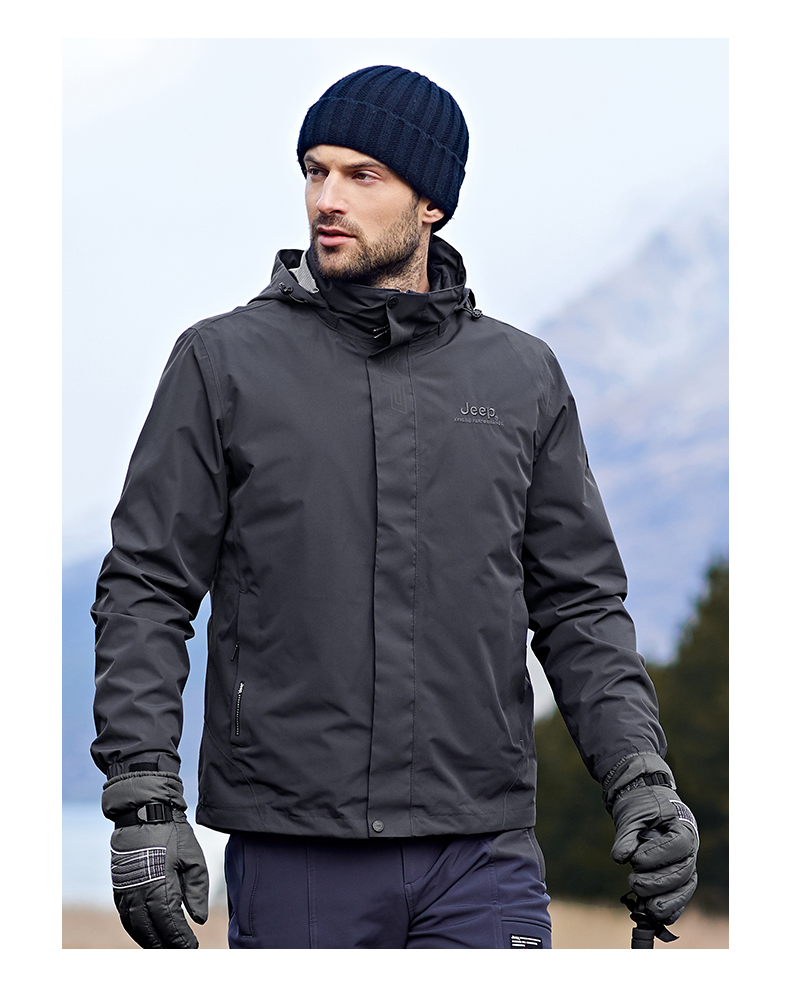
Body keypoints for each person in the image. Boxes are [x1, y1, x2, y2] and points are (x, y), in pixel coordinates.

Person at [91, 65, 699, 950]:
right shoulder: (223, 364)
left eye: (362, 175)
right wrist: (144, 796)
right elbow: (146, 587)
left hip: (481, 852)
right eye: (315, 170)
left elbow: (579, 606)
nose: (326, 199)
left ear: (432, 203)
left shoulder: (521, 377)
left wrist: (641, 776)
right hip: (297, 848)